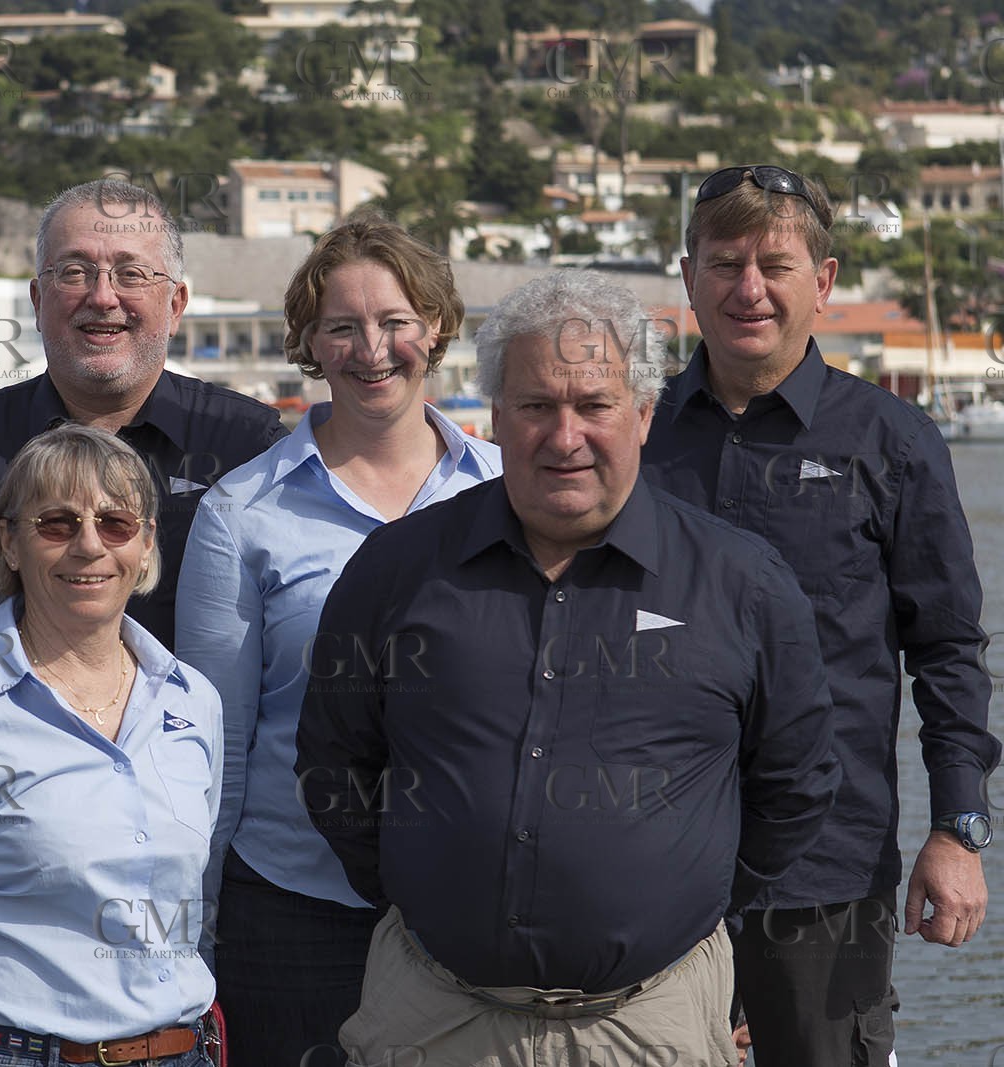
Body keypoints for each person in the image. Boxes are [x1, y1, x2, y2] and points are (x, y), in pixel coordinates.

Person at [296, 271, 841, 1067]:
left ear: (645, 414)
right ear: (494, 416)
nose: (565, 436)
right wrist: (430, 887)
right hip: (434, 1019)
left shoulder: (743, 583)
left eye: (594, 406)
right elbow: (333, 763)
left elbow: (796, 783)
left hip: (652, 1024)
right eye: (536, 406)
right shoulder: (397, 570)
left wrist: (685, 891)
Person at [641, 164, 1001, 1065]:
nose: (748, 287)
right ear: (688, 280)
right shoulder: (631, 437)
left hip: (826, 873)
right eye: (723, 263)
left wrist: (959, 828)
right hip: (647, 861)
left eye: (775, 263)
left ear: (825, 283)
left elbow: (950, 651)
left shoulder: (893, 441)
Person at [174, 216, 501, 1066]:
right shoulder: (242, 513)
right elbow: (218, 748)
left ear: (435, 326)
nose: (372, 348)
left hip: (475, 904)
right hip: (292, 909)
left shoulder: (508, 488)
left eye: (395, 320)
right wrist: (193, 930)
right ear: (310, 343)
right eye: (342, 326)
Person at [0, 424, 223, 1067]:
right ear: (10, 541)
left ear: (146, 543)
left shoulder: (194, 702)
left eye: (115, 524)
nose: (88, 546)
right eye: (56, 523)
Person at [0, 177, 288, 650]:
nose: (103, 297)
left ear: (175, 306)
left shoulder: (249, 448)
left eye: (131, 274)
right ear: (37, 301)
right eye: (74, 271)